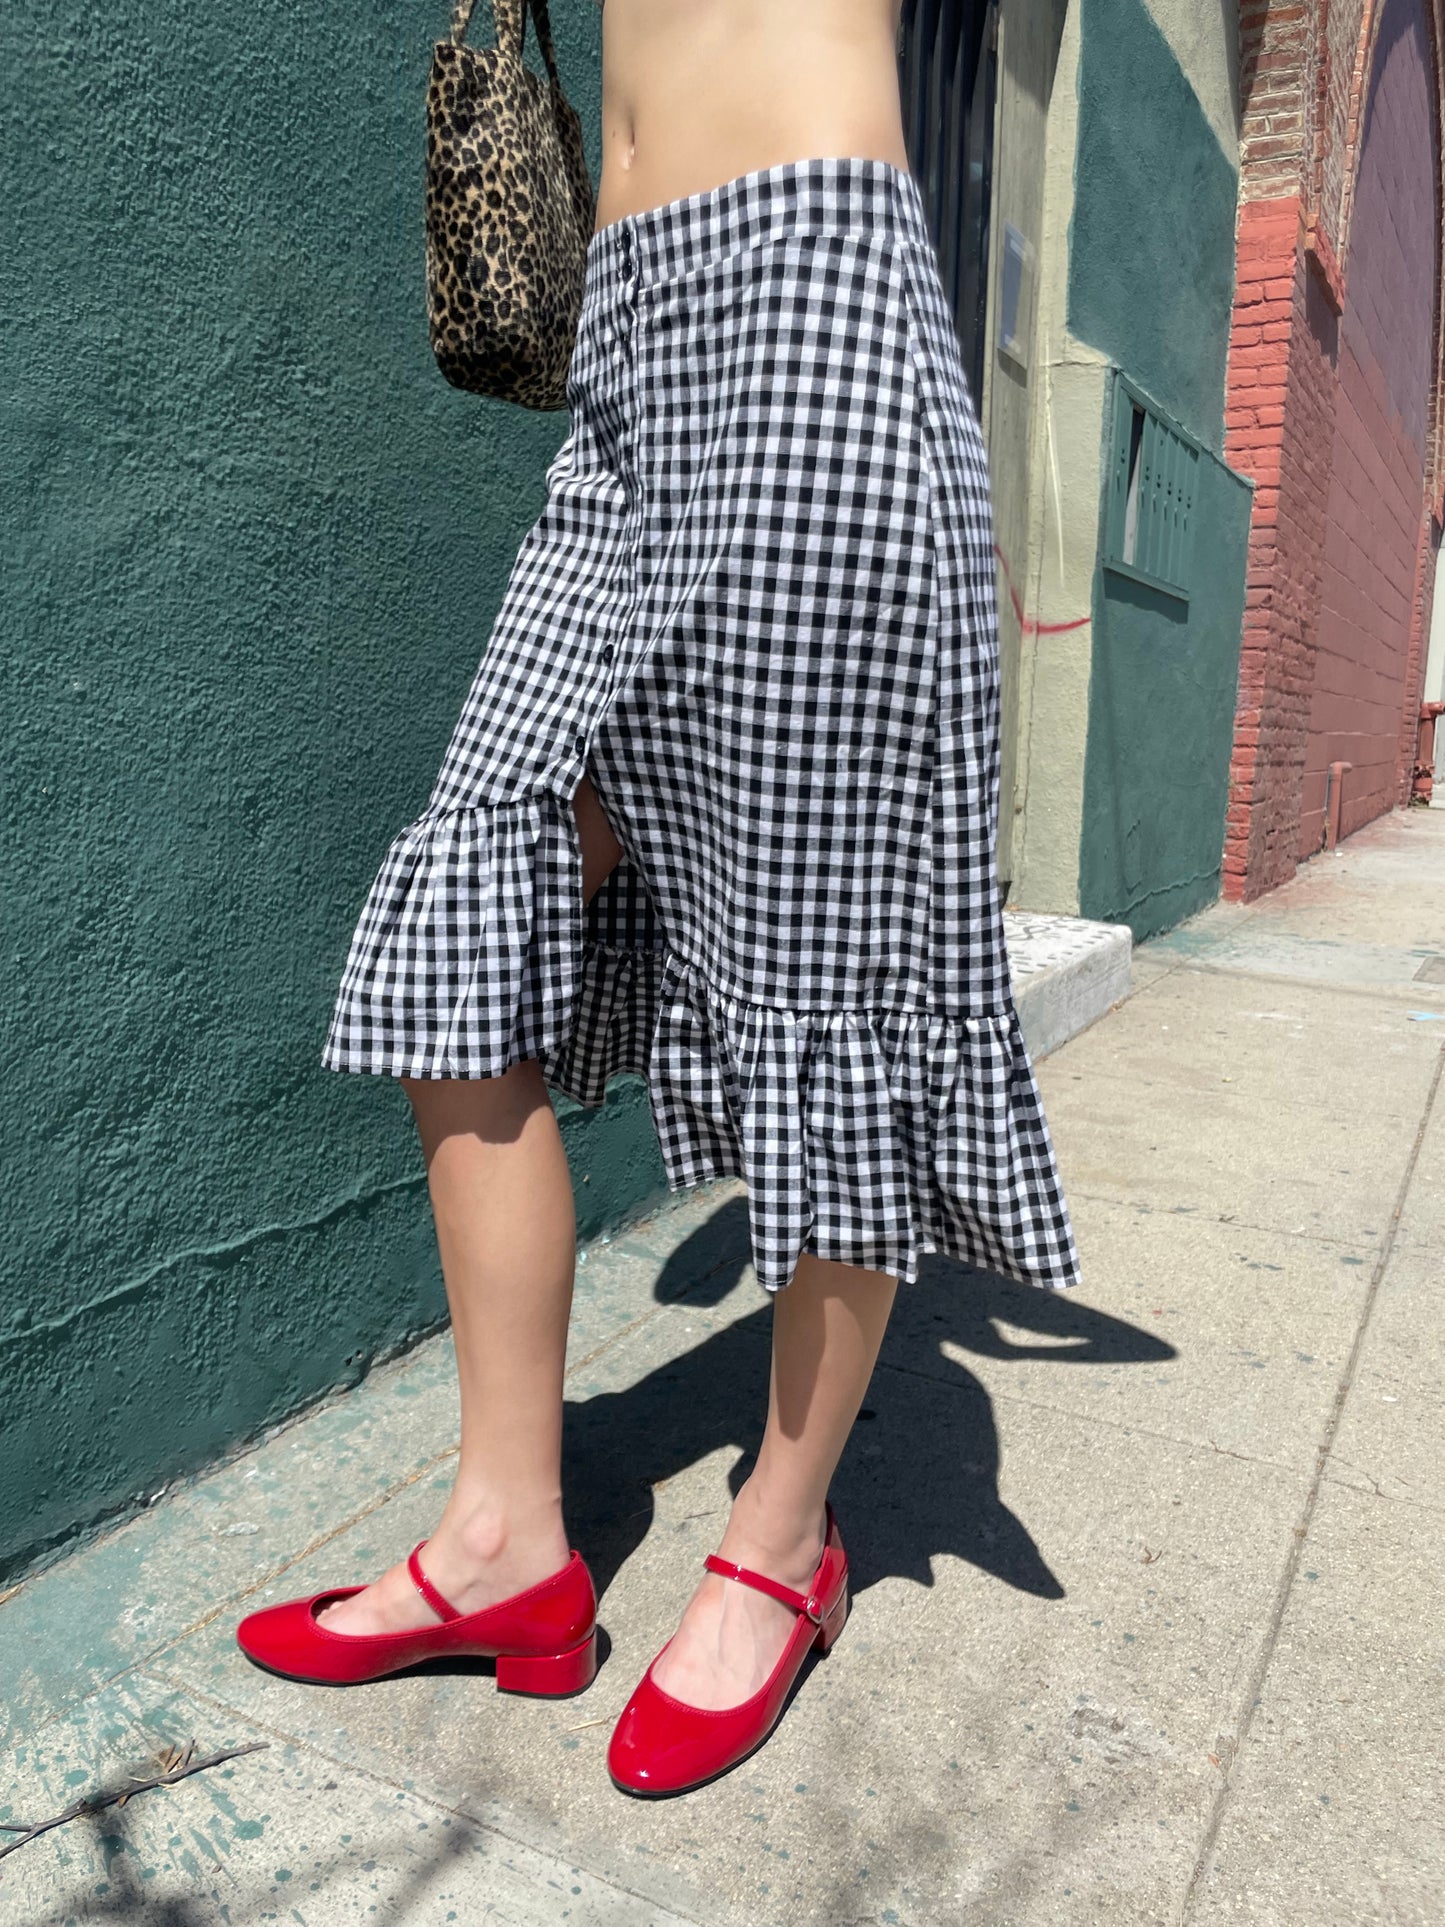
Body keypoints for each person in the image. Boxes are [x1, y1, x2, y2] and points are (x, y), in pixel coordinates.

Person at [236, 0, 1081, 1796]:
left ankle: (781, 1545)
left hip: (809, 312)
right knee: (468, 901)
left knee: (834, 991)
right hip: (623, 357)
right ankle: (501, 1544)